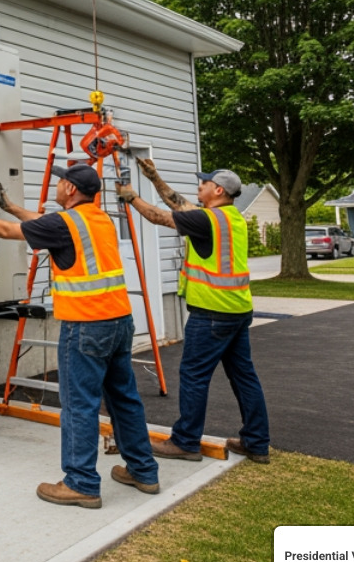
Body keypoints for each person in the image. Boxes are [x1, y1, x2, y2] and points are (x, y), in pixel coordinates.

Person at [0, 164, 161, 508]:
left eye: (60, 181)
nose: (56, 185)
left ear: (70, 189)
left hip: (85, 326)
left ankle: (81, 483)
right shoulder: (99, 218)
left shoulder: (64, 223)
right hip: (119, 322)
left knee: (79, 406)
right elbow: (43, 223)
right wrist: (13, 207)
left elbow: (10, 231)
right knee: (124, 400)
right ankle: (144, 472)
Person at [116, 164, 270, 463]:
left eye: (205, 183)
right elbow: (178, 204)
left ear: (218, 190)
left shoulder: (206, 219)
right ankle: (256, 442)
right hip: (237, 309)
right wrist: (154, 178)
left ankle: (185, 441)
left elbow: (159, 216)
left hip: (211, 312)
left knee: (193, 376)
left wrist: (130, 197)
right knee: (244, 377)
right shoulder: (230, 217)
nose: (199, 186)